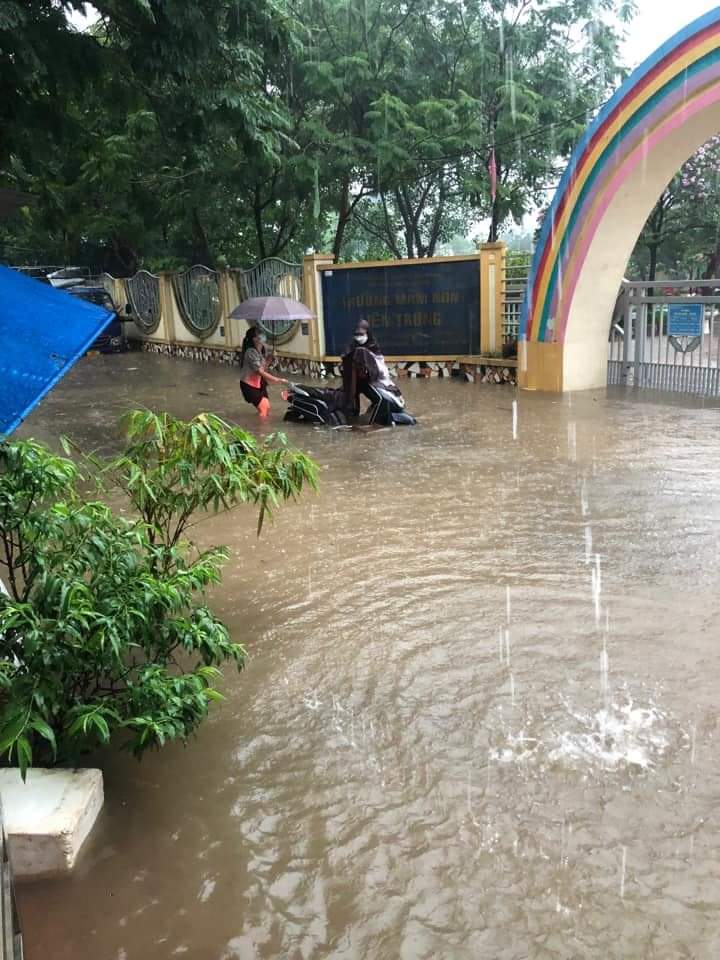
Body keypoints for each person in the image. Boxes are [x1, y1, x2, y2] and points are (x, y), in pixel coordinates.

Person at [342, 320, 410, 425]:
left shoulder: (373, 345)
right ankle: (353, 422)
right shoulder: (354, 348)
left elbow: (378, 364)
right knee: (351, 402)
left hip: (376, 379)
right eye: (357, 334)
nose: (359, 337)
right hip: (356, 380)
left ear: (367, 333)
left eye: (361, 334)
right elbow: (347, 359)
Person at [238, 325, 287, 416]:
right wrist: (276, 379)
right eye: (259, 334)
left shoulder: (262, 350)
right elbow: (259, 371)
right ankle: (262, 429)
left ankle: (258, 427)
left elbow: (263, 369)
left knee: (266, 408)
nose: (262, 335)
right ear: (254, 339)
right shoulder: (250, 352)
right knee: (264, 408)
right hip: (249, 386)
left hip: (259, 384)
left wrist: (269, 358)